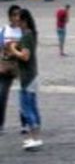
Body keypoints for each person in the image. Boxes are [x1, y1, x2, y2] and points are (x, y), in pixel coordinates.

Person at [11, 9, 41, 149]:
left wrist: (13, 50)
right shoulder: (30, 35)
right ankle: (33, 137)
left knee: (27, 109)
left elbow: (25, 56)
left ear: (24, 21)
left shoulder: (26, 36)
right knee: (32, 107)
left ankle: (35, 138)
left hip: (28, 77)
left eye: (18, 20)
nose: (16, 22)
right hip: (32, 75)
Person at [0, 5, 19, 132]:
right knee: (1, 95)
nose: (17, 17)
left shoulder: (23, 31)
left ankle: (26, 124)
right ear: (10, 16)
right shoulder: (3, 30)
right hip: (4, 67)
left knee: (25, 97)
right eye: (14, 14)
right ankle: (0, 124)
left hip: (17, 68)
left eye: (19, 15)